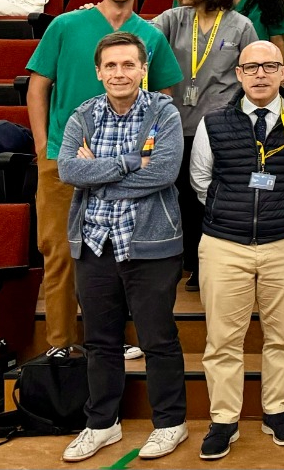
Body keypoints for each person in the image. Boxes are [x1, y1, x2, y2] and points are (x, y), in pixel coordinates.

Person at [26, 0, 181, 359]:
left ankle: (113, 336)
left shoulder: (150, 34)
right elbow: (38, 85)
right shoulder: (66, 24)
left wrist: (145, 154)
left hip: (128, 167)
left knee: (121, 251)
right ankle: (60, 344)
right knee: (61, 252)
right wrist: (45, 146)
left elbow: (163, 95)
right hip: (65, 160)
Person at [188, 41, 284, 459]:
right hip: (223, 244)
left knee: (283, 334)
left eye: (270, 66)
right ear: (238, 74)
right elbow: (201, 180)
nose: (261, 74)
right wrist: (230, 213)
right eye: (251, 67)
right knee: (222, 339)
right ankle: (224, 420)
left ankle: (277, 412)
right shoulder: (215, 122)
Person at [56, 33, 188, 464]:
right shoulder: (84, 114)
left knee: (157, 338)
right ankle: (102, 424)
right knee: (100, 341)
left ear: (142, 69)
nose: (119, 73)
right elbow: (68, 169)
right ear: (99, 72)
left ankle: (170, 423)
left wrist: (99, 175)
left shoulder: (163, 112)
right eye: (111, 66)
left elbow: (165, 172)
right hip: (94, 244)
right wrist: (131, 162)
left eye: (128, 65)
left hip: (150, 245)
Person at [154, 0, 260, 291]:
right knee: (184, 196)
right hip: (177, 125)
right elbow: (132, 34)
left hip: (221, 128)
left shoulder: (240, 26)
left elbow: (255, 71)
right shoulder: (173, 18)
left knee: (215, 196)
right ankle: (190, 260)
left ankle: (212, 265)